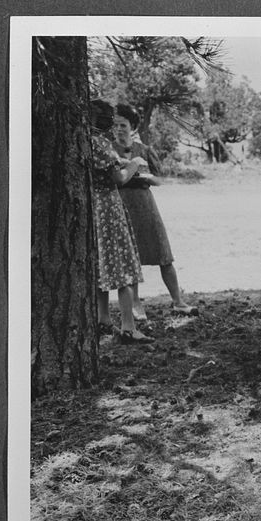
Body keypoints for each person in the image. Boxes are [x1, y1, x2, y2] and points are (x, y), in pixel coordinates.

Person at [112, 103, 198, 320]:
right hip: (122, 204)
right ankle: (136, 304)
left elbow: (160, 179)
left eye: (123, 125)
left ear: (132, 127)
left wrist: (148, 178)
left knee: (163, 252)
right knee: (130, 256)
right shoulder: (110, 149)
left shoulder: (145, 150)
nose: (119, 129)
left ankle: (178, 301)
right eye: (116, 125)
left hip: (146, 204)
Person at [89, 99, 153, 345]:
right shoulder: (102, 145)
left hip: (95, 208)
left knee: (101, 264)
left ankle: (102, 319)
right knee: (122, 266)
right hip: (109, 209)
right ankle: (128, 327)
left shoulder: (85, 142)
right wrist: (135, 163)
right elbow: (118, 178)